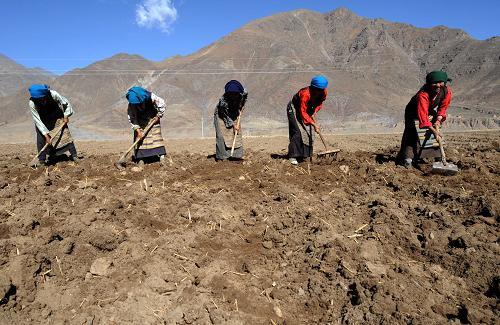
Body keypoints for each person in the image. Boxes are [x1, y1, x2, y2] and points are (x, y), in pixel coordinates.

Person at [396, 71, 452, 168]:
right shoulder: (423, 94)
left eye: (441, 82)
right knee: (412, 132)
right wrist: (434, 130)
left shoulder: (446, 91)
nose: (438, 85)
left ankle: (438, 157)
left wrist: (438, 120)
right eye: (435, 83)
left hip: (427, 110)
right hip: (412, 111)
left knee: (432, 133)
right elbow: (422, 115)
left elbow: (442, 108)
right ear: (429, 84)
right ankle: (407, 159)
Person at [28, 84, 78, 167]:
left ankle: (74, 156)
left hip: (56, 116)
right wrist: (46, 136)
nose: (39, 100)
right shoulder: (32, 103)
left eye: (41, 98)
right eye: (37, 99)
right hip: (43, 121)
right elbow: (37, 120)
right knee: (41, 139)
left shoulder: (53, 94)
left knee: (65, 134)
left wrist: (66, 116)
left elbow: (65, 103)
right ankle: (42, 161)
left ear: (44, 94)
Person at [287, 75, 329, 165]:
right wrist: (314, 124)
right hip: (295, 108)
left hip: (308, 109)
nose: (320, 92)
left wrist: (314, 111)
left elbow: (319, 104)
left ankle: (305, 156)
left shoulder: (324, 92)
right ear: (313, 88)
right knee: (298, 131)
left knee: (309, 132)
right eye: (318, 90)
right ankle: (293, 156)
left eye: (322, 90)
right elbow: (302, 111)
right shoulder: (305, 94)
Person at [126, 86, 167, 166]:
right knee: (140, 140)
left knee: (156, 137)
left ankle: (161, 156)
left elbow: (161, 103)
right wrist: (138, 130)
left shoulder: (150, 96)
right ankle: (141, 159)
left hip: (153, 118)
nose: (136, 105)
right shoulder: (131, 104)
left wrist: (158, 116)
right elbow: (132, 117)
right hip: (140, 121)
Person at [214, 80, 248, 161]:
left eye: (235, 94)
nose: (233, 96)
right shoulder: (223, 102)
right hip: (221, 115)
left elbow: (243, 100)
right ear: (228, 94)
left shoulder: (242, 94)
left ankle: (236, 155)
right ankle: (223, 156)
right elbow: (225, 116)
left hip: (234, 112)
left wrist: (241, 107)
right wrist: (233, 125)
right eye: (231, 94)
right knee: (221, 135)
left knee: (236, 133)